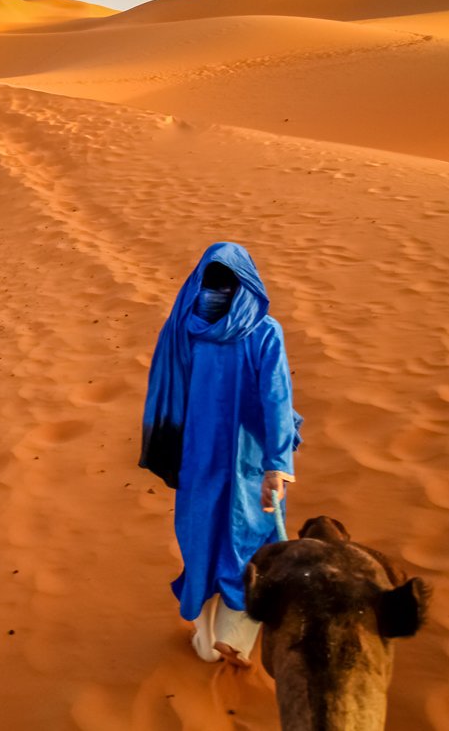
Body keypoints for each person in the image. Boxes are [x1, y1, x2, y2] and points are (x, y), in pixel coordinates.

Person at [139, 241, 301, 666]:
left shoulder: (183, 328)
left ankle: (208, 642)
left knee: (202, 542)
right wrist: (278, 465)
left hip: (196, 458)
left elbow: (167, 395)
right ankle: (235, 639)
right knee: (248, 543)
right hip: (248, 461)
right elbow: (276, 399)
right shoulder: (264, 331)